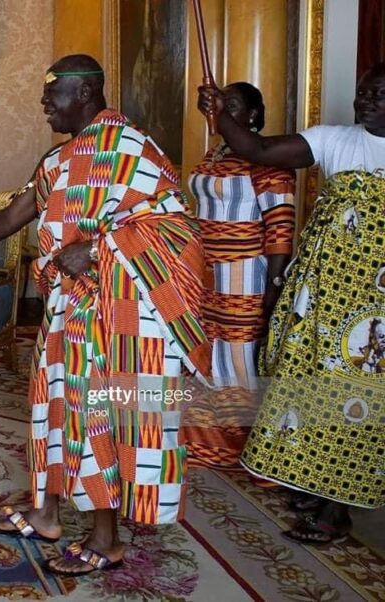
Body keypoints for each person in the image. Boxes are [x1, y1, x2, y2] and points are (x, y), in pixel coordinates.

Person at [0, 54, 211, 576]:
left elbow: (179, 230)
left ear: (84, 94)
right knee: (54, 408)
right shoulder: (58, 161)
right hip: (67, 313)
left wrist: (99, 248)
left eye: (52, 95)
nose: (43, 104)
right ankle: (46, 513)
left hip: (119, 317)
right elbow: (14, 215)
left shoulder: (133, 150)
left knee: (97, 416)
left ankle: (107, 539)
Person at [198, 61, 385, 544]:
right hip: (323, 292)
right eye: (364, 92)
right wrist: (222, 113)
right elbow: (257, 149)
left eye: (379, 94)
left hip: (374, 304)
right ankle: (312, 486)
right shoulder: (333, 139)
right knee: (306, 385)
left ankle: (335, 507)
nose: (365, 100)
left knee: (358, 397)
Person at [186, 83, 295, 469]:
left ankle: (246, 444)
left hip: (244, 273)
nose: (221, 110)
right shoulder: (212, 154)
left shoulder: (268, 159)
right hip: (205, 271)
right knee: (208, 350)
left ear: (251, 115)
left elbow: (281, 228)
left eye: (231, 105)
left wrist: (274, 287)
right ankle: (208, 439)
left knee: (239, 353)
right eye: (218, 104)